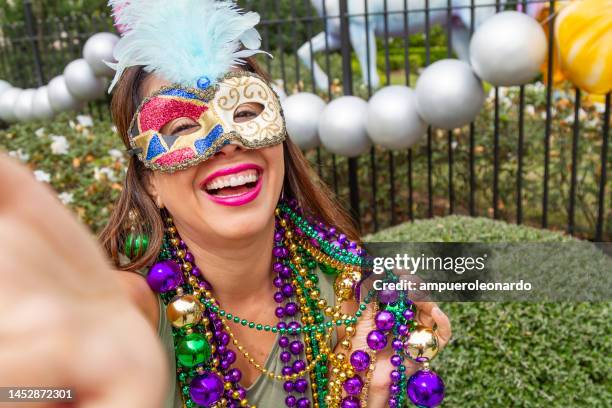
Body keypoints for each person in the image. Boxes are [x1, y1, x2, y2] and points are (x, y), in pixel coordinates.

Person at [0, 1, 450, 407]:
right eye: (180, 127)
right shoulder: (133, 307)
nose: (226, 142)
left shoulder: (349, 296)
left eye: (247, 112)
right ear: (149, 181)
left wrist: (371, 394)